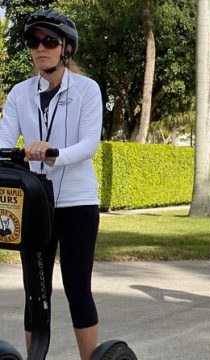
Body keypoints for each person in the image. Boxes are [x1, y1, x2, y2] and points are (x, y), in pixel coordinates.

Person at [0, 10, 102, 360]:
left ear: (66, 48)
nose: (40, 48)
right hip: (34, 204)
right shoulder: (19, 93)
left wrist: (51, 152)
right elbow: (3, 140)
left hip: (77, 203)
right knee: (35, 293)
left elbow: (90, 144)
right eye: (33, 41)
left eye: (49, 41)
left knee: (77, 288)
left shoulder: (88, 90)